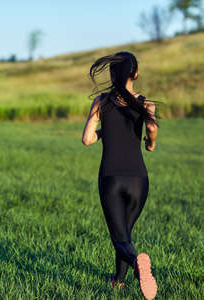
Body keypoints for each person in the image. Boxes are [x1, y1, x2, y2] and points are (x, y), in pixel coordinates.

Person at [81, 51, 159, 299]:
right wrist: (150, 143)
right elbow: (152, 127)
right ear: (135, 74)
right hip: (139, 180)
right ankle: (118, 280)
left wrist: (105, 133)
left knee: (119, 236)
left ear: (113, 74)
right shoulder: (146, 104)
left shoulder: (101, 102)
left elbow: (87, 139)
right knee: (124, 231)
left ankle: (137, 261)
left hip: (111, 179)